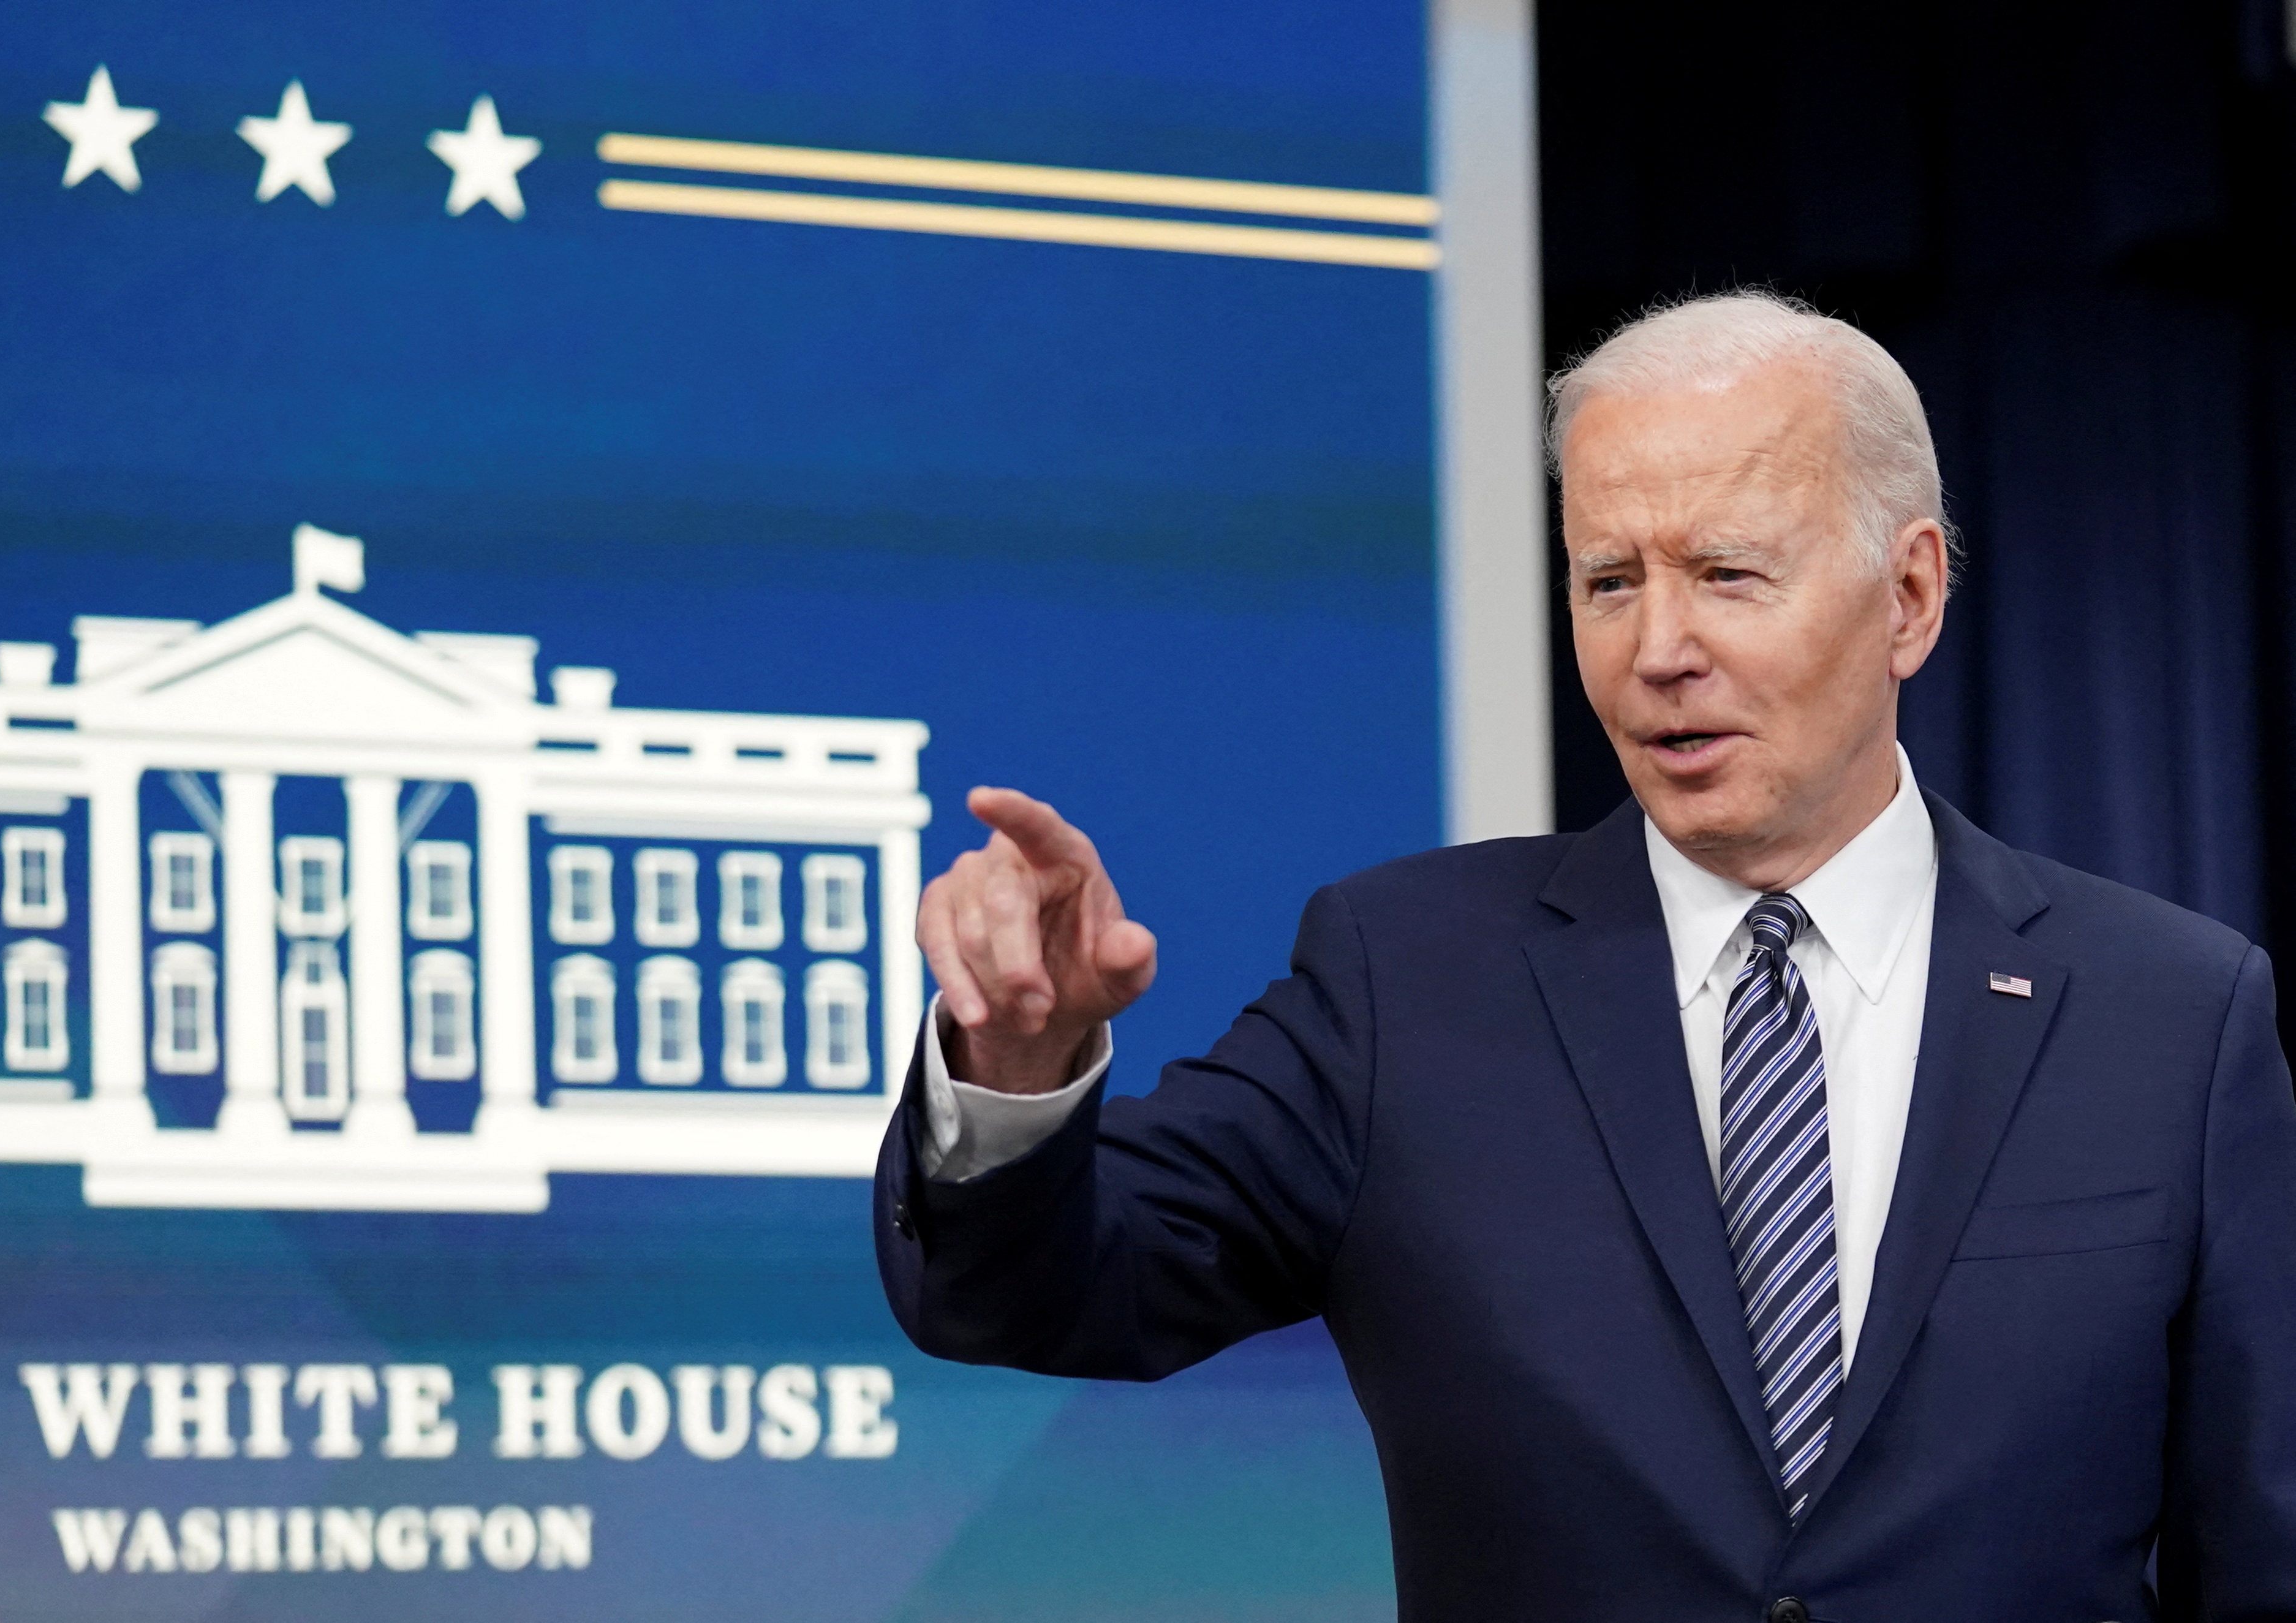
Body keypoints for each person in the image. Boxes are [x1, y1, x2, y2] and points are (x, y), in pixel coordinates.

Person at [874, 291, 2296, 1619]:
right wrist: (1018, 1064)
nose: (1657, 647)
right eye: (1607, 580)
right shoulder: (1403, 978)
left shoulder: (2169, 1013)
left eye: (1727, 573)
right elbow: (1039, 1289)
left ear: (1909, 597)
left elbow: (2263, 1541)